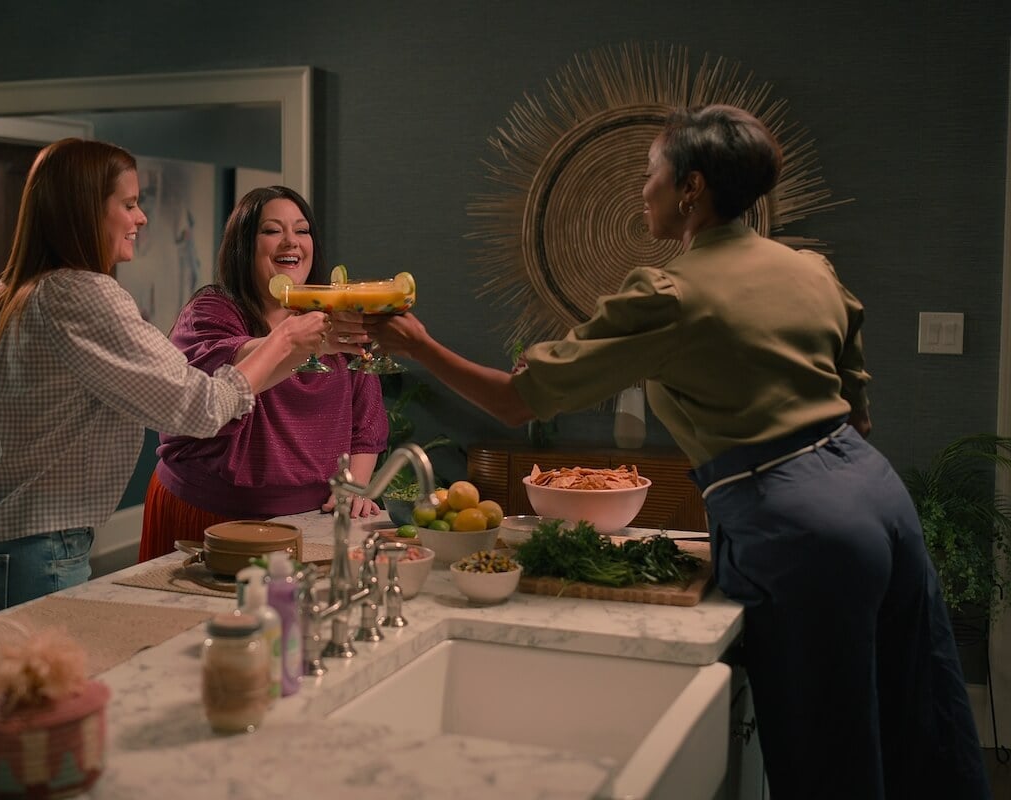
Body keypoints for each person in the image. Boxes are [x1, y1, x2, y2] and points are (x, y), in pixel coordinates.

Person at [365, 105, 990, 799]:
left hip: (799, 523)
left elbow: (518, 400)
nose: (642, 190)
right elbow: (857, 404)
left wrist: (415, 346)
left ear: (691, 187)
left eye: (650, 174)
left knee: (826, 759)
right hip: (877, 499)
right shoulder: (811, 269)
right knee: (920, 721)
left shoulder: (671, 294)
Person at [0, 140, 331, 612]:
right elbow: (203, 407)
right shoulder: (83, 295)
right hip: (36, 551)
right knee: (44, 686)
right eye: (129, 204)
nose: (141, 218)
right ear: (87, 210)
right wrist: (285, 342)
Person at [136, 186, 387, 563]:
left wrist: (353, 487)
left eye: (302, 231)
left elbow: (365, 424)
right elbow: (231, 378)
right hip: (210, 514)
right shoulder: (210, 312)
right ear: (244, 245)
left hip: (311, 519)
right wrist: (306, 341)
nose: (292, 241)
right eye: (272, 230)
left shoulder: (336, 318)